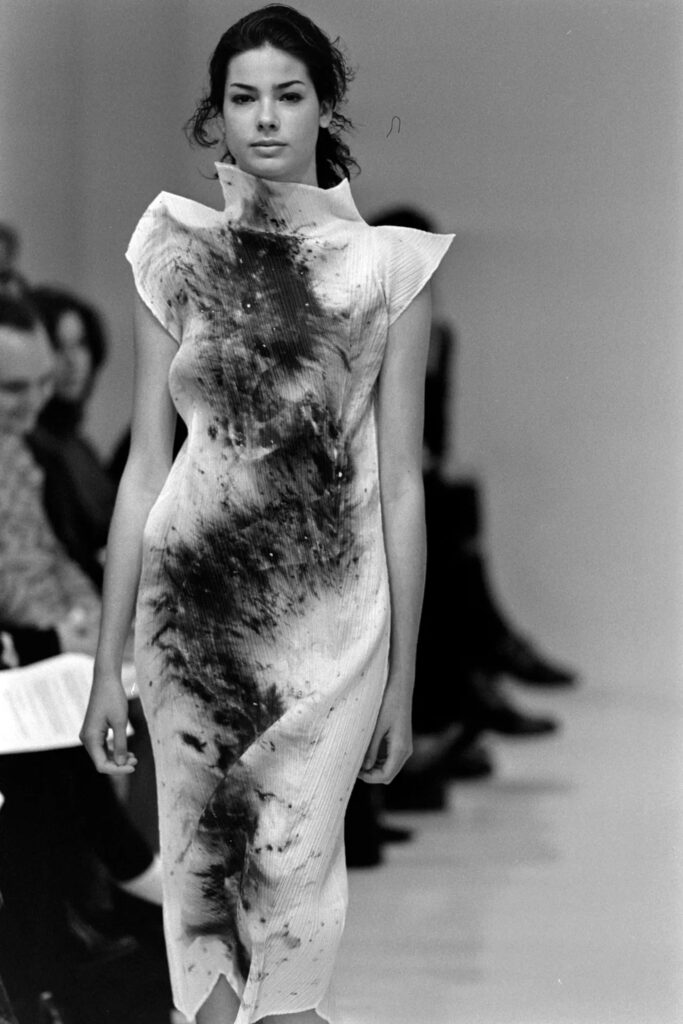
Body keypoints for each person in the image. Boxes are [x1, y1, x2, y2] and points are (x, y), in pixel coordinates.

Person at [80, 6, 453, 1024]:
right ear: (217, 114)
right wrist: (109, 663)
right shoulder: (170, 248)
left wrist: (403, 680)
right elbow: (145, 468)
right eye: (242, 98)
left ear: (325, 107)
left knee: (292, 906)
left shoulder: (387, 268)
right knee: (206, 918)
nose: (265, 117)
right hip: (189, 622)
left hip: (333, 627)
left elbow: (402, 483)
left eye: (288, 95)